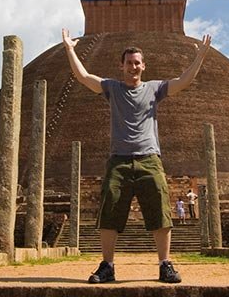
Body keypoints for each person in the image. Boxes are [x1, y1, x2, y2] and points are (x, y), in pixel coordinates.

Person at [61, 28, 212, 284]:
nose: (133, 67)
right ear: (122, 66)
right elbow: (84, 76)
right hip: (118, 159)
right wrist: (69, 49)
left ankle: (165, 264)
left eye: (137, 63)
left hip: (149, 159)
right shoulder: (112, 88)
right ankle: (107, 265)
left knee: (160, 212)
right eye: (129, 63)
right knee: (109, 212)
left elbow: (183, 81)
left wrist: (200, 58)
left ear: (144, 66)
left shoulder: (155, 89)